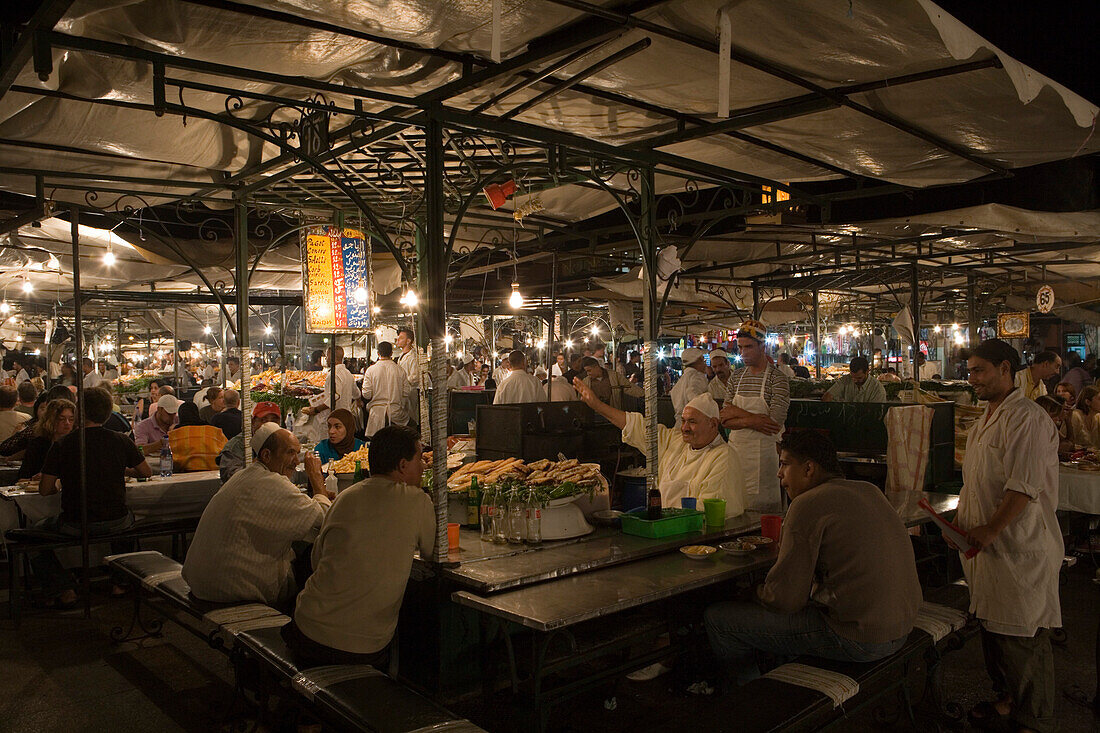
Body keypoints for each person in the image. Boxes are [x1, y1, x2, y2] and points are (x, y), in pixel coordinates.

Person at [704, 431, 921, 686]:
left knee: (719, 619)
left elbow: (785, 600)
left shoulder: (807, 504)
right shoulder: (869, 490)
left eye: (784, 464)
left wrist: (753, 592)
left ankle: (753, 697)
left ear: (808, 468)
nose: (779, 474)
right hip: (901, 627)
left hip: (859, 639)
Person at [954, 338, 1061, 733]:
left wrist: (991, 528)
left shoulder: (1027, 418)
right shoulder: (986, 415)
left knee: (1023, 637)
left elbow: (1023, 487)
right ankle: (1006, 698)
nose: (973, 378)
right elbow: (977, 482)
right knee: (995, 630)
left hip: (1020, 546)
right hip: (986, 547)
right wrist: (962, 528)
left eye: (980, 370)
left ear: (1005, 370)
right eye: (971, 371)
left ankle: (1035, 719)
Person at [283, 425, 435, 668]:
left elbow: (316, 560)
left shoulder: (346, 496)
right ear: (403, 465)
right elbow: (433, 552)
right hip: (361, 648)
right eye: (419, 459)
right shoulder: (418, 501)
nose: (424, 466)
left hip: (306, 629)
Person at [182, 423, 332, 609]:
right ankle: (305, 625)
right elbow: (325, 520)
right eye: (290, 453)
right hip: (228, 590)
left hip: (202, 583)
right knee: (316, 557)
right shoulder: (271, 483)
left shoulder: (245, 476)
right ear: (266, 455)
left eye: (297, 453)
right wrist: (316, 478)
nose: (296, 461)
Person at [33, 388, 152, 606]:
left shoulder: (63, 444)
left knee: (33, 536)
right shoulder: (120, 440)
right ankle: (120, 582)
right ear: (108, 413)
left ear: (80, 412)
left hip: (75, 523)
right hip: (116, 520)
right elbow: (146, 472)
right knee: (128, 520)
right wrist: (121, 469)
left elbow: (44, 489)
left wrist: (58, 483)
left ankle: (64, 588)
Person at [574, 378, 745, 516]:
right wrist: (597, 405)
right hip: (667, 531)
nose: (685, 427)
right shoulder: (675, 441)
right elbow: (636, 426)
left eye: (692, 422)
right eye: (684, 420)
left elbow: (709, 511)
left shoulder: (723, 457)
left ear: (713, 424)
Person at [720, 319, 790, 513]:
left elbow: (774, 423)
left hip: (764, 459)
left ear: (763, 345)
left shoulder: (778, 379)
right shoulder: (736, 376)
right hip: (736, 455)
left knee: (763, 515)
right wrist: (756, 420)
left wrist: (739, 414)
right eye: (740, 347)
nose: (743, 353)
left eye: (749, 347)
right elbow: (725, 418)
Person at [218, 401, 282, 483]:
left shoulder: (280, 442)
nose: (269, 425)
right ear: (253, 422)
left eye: (274, 421)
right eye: (263, 420)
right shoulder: (236, 446)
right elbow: (233, 478)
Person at [360, 341, 412, 437]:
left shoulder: (371, 370)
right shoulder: (400, 370)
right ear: (391, 353)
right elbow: (406, 392)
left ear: (378, 353)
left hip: (376, 414)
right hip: (396, 414)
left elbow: (366, 394)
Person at [18, 397, 75, 480]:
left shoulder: (75, 445)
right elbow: (23, 476)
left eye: (71, 419)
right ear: (51, 420)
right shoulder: (37, 445)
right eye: (61, 419)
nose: (67, 423)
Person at [168, 401, 227, 471]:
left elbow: (169, 457)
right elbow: (226, 449)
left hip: (184, 474)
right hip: (212, 473)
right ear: (197, 413)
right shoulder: (213, 431)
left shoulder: (175, 434)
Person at [670, 348, 708, 428]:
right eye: (703, 360)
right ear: (699, 360)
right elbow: (693, 396)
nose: (705, 364)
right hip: (692, 427)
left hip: (678, 426)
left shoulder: (680, 381)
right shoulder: (697, 376)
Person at [822, 356, 887, 403]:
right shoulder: (845, 380)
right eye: (853, 377)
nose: (855, 380)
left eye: (859, 378)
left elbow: (876, 413)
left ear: (867, 371)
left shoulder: (877, 388)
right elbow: (827, 396)